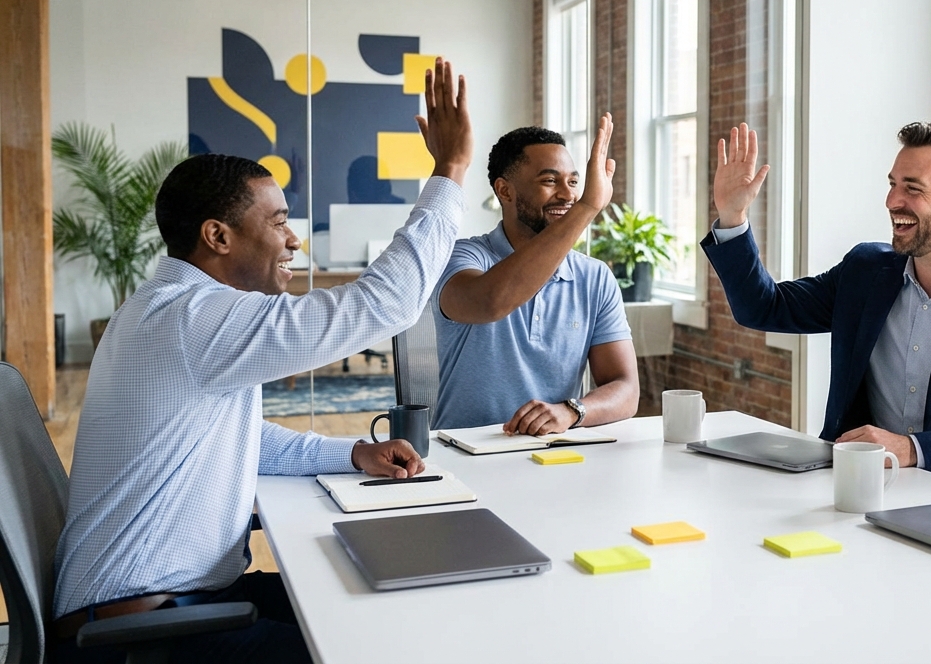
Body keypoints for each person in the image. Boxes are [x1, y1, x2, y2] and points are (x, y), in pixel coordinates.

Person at [48, 62, 614, 663]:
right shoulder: (193, 320)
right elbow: (384, 306)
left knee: (384, 612)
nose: (294, 241)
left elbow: (239, 440)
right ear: (217, 237)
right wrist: (449, 170)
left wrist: (349, 452)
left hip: (177, 601)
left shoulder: (176, 311)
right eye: (279, 223)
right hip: (143, 634)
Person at [701, 121, 931, 488]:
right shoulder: (866, 272)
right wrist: (733, 218)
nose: (893, 201)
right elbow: (763, 307)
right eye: (892, 184)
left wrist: (911, 449)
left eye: (912, 188)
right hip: (856, 488)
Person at [430, 124, 638, 434]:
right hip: (464, 454)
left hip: (551, 454)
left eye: (574, 182)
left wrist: (572, 411)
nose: (567, 194)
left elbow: (626, 389)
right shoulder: (461, 258)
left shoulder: (594, 277)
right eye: (550, 181)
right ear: (505, 190)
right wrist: (587, 207)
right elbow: (490, 302)